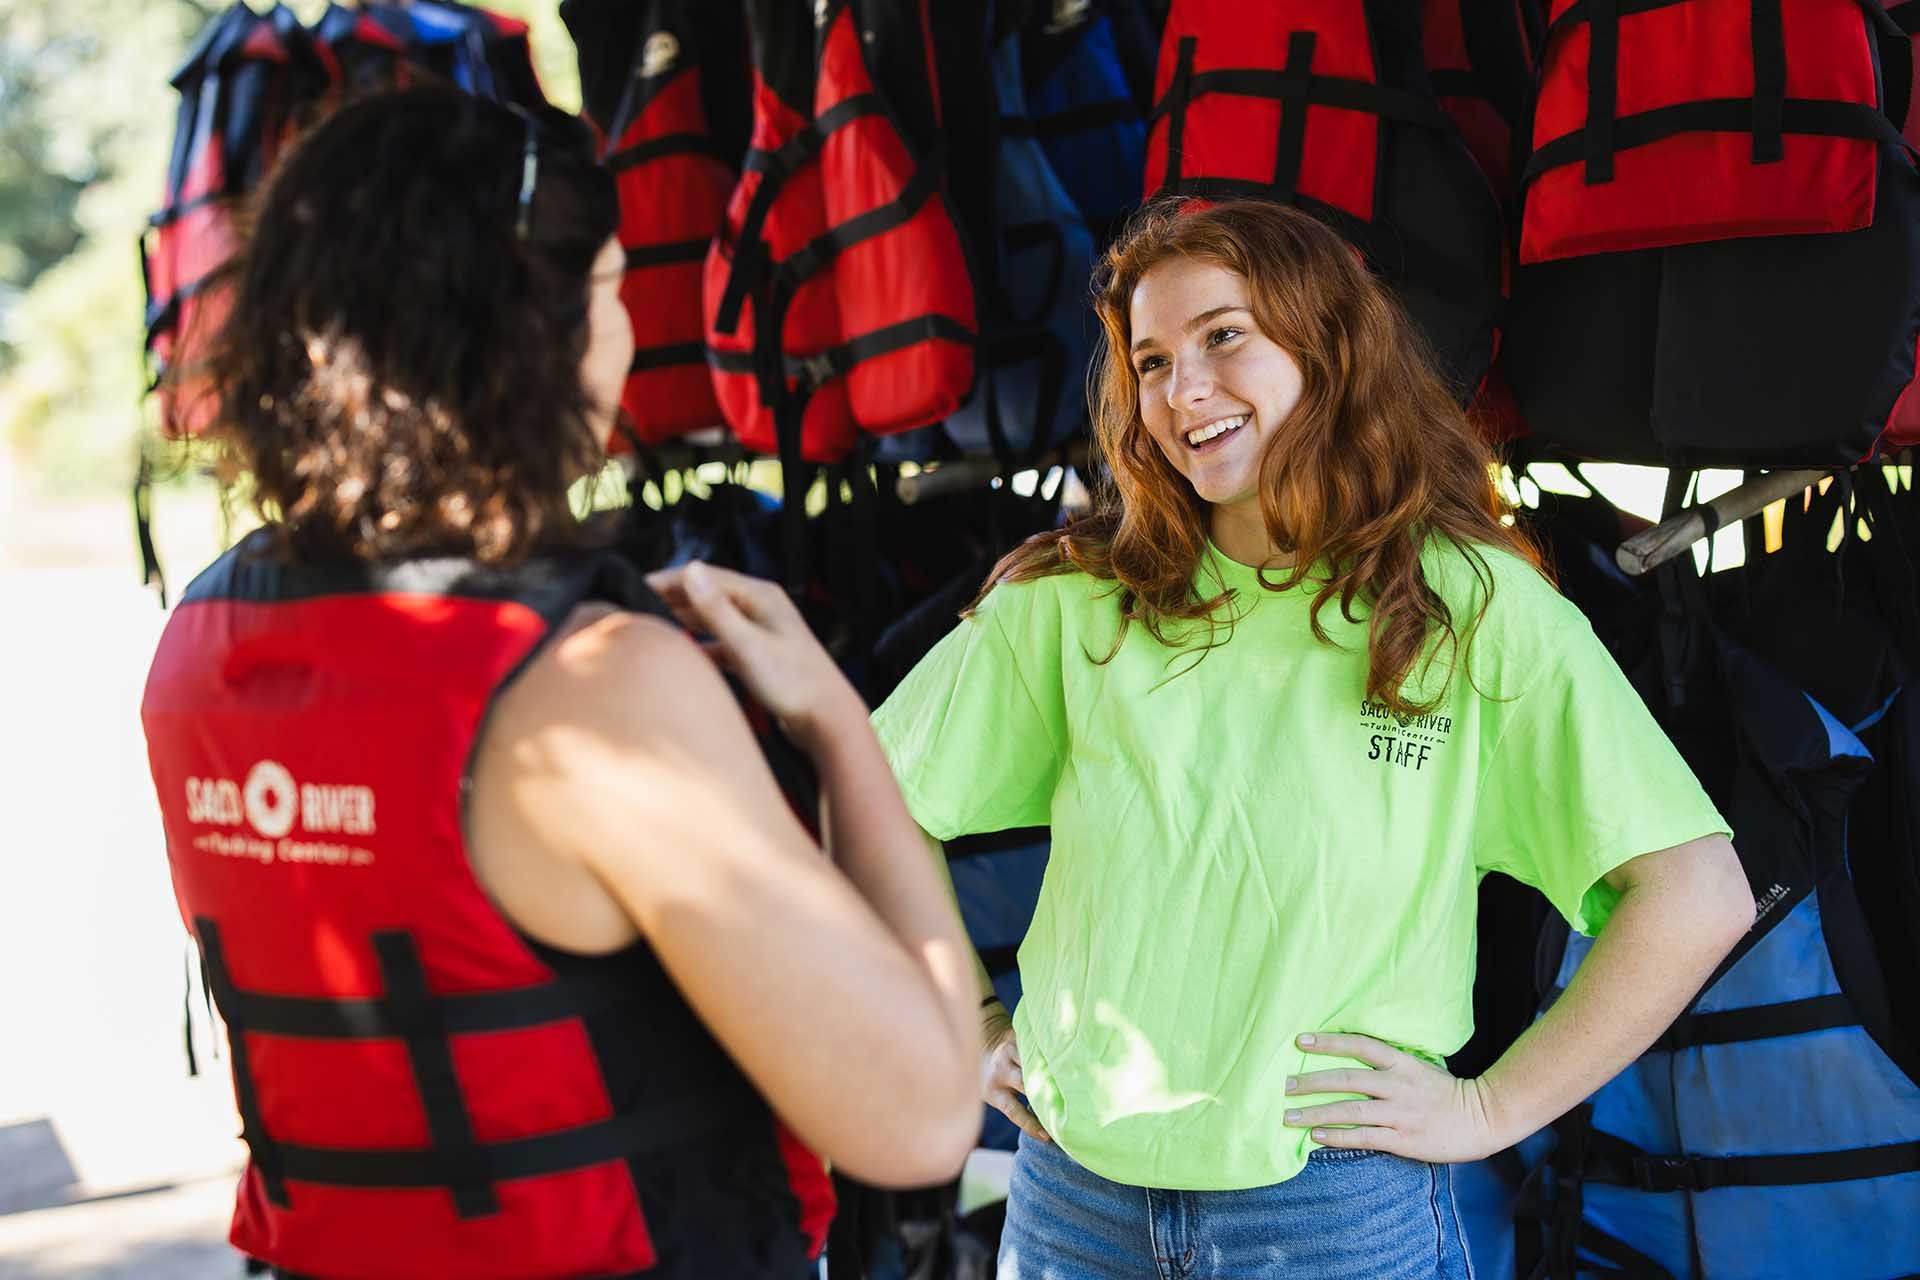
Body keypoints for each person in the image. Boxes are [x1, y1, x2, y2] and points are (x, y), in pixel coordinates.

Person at [140, 88, 979, 1280]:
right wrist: (839, 724)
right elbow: (923, 1111)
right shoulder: (593, 683)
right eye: (608, 291)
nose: (625, 333)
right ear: (531, 336)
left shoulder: (204, 642)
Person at [871, 199, 1756, 1278]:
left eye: (1223, 336)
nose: (1181, 388)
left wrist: (1490, 1107)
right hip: (1072, 1204)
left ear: (1327, 347)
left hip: (1337, 1213)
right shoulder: (1074, 603)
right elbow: (869, 802)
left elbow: (1697, 891)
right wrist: (967, 1022)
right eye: (1150, 360)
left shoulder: (1471, 608)